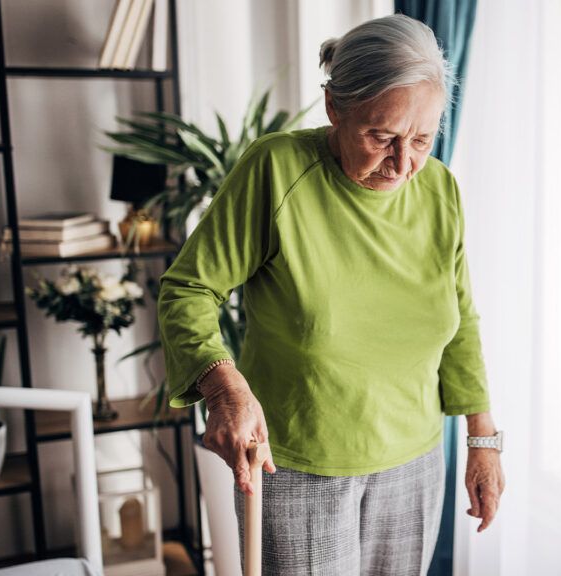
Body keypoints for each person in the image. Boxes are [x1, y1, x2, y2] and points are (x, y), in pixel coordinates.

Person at [156, 13, 505, 576]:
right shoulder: (276, 170)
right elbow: (188, 288)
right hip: (297, 468)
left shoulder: (438, 189)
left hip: (414, 463)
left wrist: (483, 440)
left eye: (421, 139)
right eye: (382, 137)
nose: (403, 163)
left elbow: (460, 317)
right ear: (334, 107)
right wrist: (223, 386)